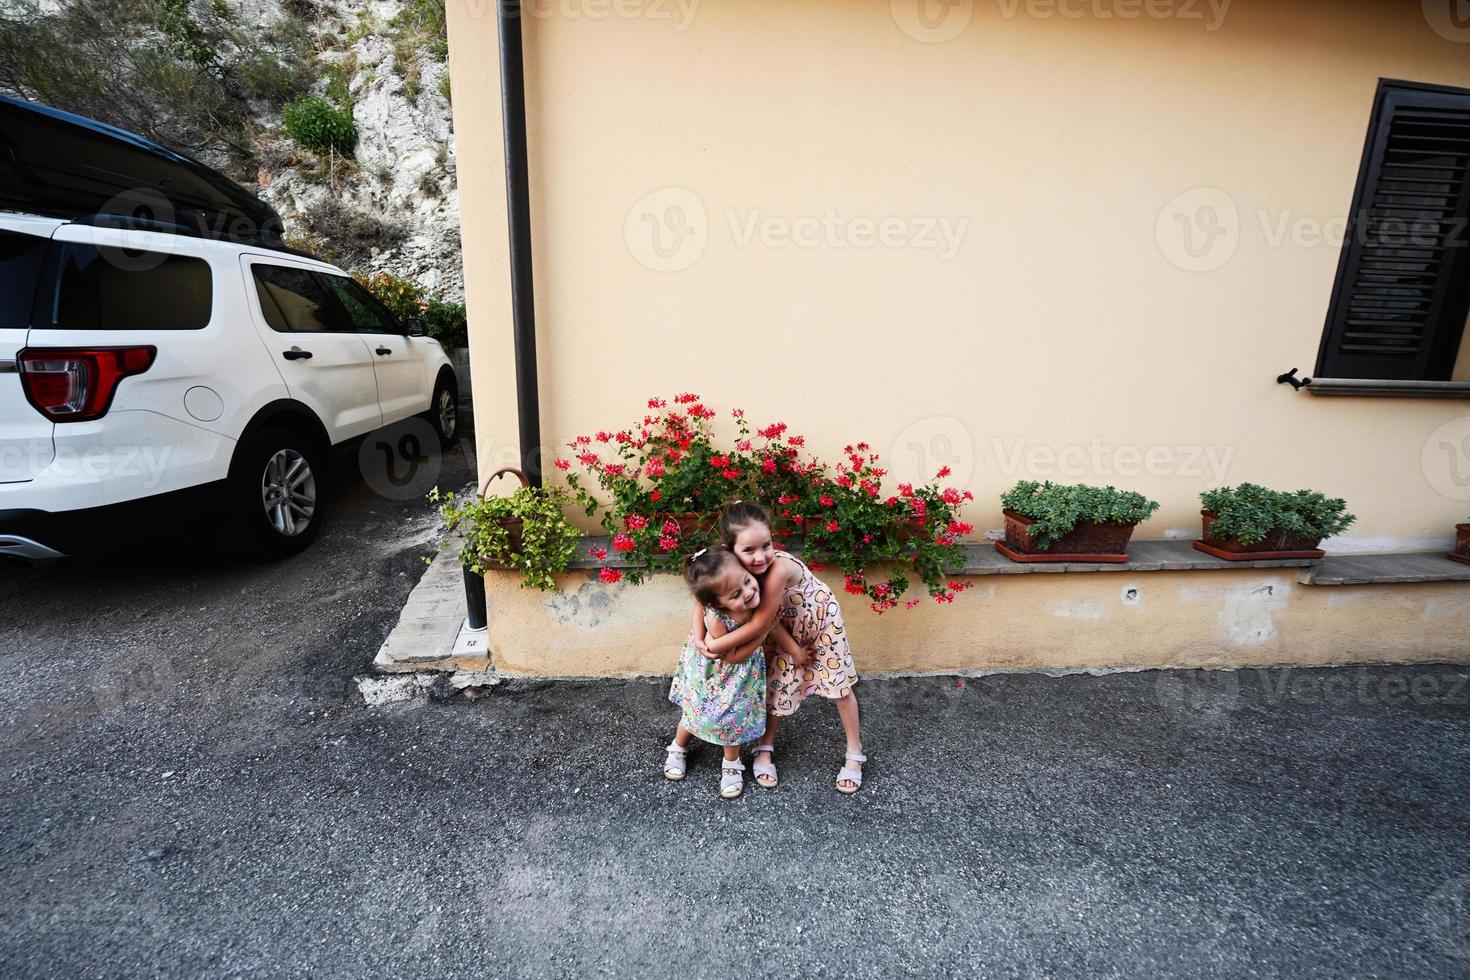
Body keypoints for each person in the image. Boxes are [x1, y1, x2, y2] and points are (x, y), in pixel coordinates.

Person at [693, 502, 866, 794]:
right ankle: (765, 747)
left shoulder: (776, 571)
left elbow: (761, 624)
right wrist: (699, 636)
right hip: (784, 626)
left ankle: (855, 751)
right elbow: (703, 600)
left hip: (818, 625)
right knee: (777, 684)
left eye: (766, 545)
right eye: (749, 550)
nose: (760, 556)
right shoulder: (725, 566)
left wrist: (715, 643)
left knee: (839, 688)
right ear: (728, 549)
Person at [665, 545, 806, 799]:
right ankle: (678, 747)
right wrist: (760, 631)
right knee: (695, 711)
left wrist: (795, 651)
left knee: (734, 717)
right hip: (715, 673)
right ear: (717, 602)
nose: (749, 593)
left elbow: (772, 626)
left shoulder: (756, 594)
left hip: (740, 679)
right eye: (736, 594)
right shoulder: (717, 618)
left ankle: (731, 764)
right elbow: (733, 656)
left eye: (748, 581)